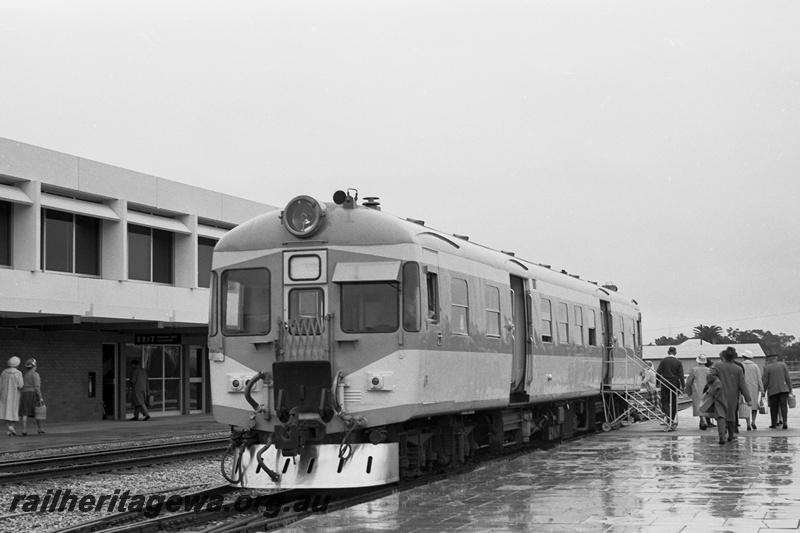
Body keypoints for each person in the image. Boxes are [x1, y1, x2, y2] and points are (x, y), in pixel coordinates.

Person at [704, 346, 751, 444]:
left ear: (724, 356)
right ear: (734, 357)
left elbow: (710, 375)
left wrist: (715, 383)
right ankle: (731, 435)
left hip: (719, 393)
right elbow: (742, 384)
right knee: (731, 415)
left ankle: (722, 437)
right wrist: (748, 398)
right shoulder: (738, 369)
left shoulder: (717, 365)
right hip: (733, 395)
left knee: (720, 415)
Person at [656, 347, 685, 431]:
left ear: (668, 352)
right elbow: (681, 375)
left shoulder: (664, 361)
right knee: (674, 402)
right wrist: (683, 386)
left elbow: (658, 372)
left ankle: (668, 416)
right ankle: (671, 419)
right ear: (675, 352)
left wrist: (657, 382)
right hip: (675, 383)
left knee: (664, 400)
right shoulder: (678, 362)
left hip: (665, 382)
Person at [762, 354, 792, 429]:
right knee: (784, 406)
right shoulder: (783, 365)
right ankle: (785, 422)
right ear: (776, 358)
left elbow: (765, 381)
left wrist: (763, 391)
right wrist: (790, 388)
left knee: (773, 407)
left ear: (769, 359)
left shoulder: (767, 367)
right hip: (783, 389)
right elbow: (788, 377)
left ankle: (774, 423)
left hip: (773, 390)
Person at [685, 354, 714, 430]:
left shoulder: (694, 370)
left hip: (697, 390)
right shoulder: (709, 370)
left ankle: (702, 420)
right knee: (705, 405)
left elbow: (689, 381)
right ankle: (703, 420)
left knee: (698, 405)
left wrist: (688, 391)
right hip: (707, 390)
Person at [18, 358, 44, 436]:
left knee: (25, 412)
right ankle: (39, 428)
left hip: (25, 394)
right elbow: (37, 386)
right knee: (37, 410)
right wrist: (40, 396)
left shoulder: (26, 375)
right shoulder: (35, 374)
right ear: (34, 366)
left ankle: (24, 430)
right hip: (33, 394)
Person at [0, 356, 24, 436]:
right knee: (14, 410)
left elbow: (0, 384)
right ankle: (12, 427)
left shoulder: (4, 372)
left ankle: (9, 428)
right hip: (14, 394)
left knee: (6, 410)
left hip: (5, 393)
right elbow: (20, 385)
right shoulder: (18, 373)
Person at [740, 349, 763, 430]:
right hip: (754, 387)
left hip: (744, 388)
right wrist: (761, 388)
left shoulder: (741, 365)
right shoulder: (755, 366)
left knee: (746, 406)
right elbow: (759, 378)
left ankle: (748, 423)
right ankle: (753, 421)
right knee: (754, 406)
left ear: (743, 357)